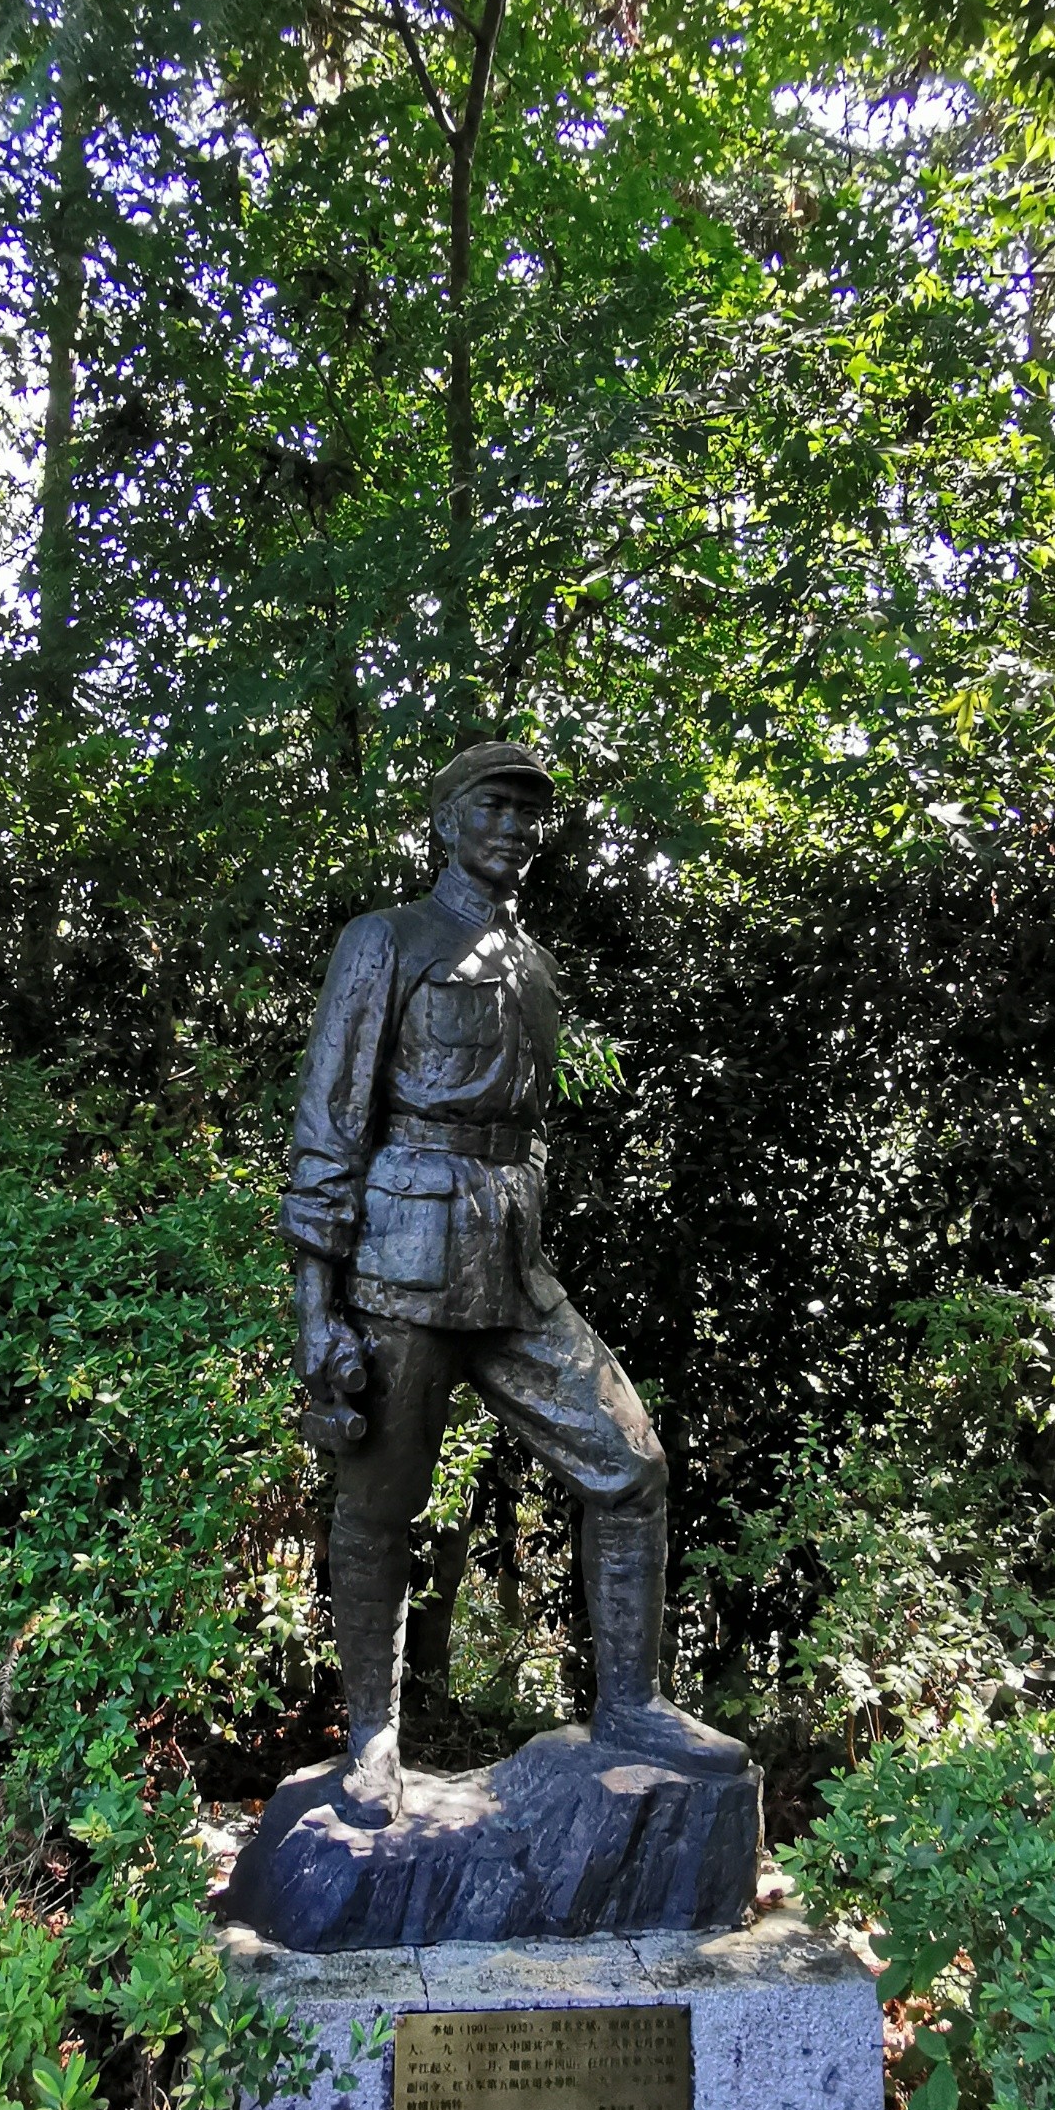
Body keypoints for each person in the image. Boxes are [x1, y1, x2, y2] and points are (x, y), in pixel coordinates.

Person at [280, 740, 747, 1824]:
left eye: (529, 814)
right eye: (493, 806)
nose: (515, 828)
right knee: (377, 1505)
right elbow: (327, 1124)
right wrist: (317, 1307)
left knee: (629, 1465)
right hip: (400, 1257)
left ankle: (629, 1704)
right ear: (445, 820)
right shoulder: (384, 941)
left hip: (510, 1262)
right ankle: (371, 1736)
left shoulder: (529, 962)